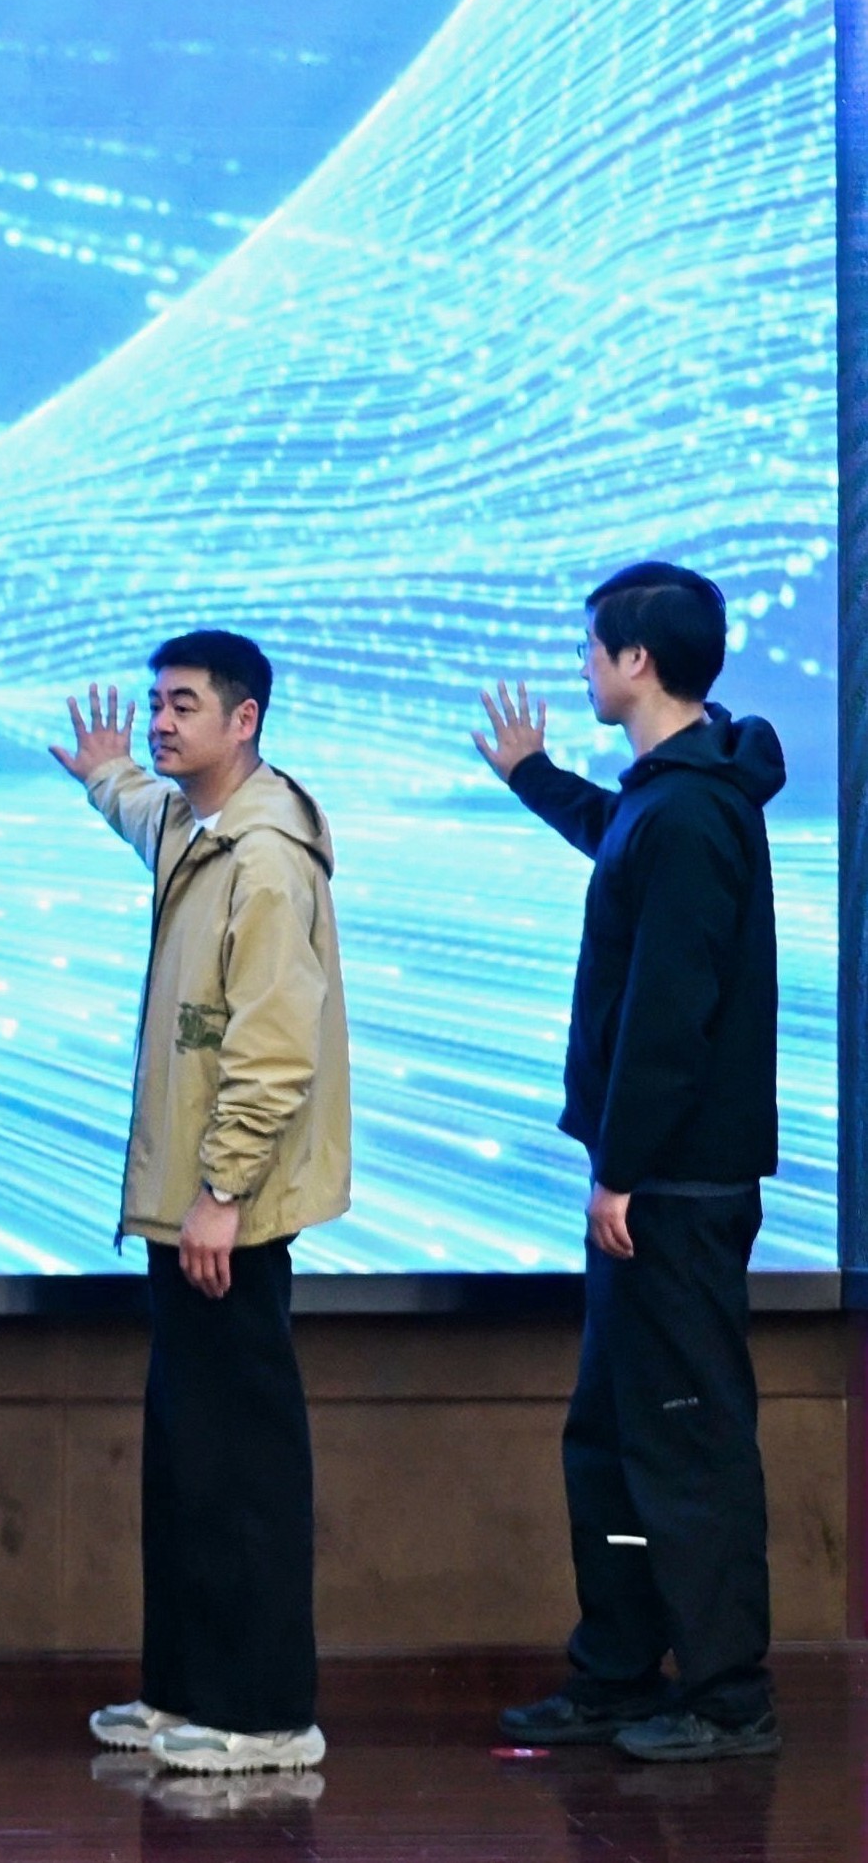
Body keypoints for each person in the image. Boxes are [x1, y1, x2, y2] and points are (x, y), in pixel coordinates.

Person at [478, 561, 784, 1764]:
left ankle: (725, 1695)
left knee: (685, 1439)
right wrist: (533, 777)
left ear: (634, 662)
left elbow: (667, 1015)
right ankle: (616, 1665)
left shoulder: (692, 812)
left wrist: (620, 1169)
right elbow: (616, 839)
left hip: (672, 1189)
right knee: (612, 1439)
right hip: (651, 1181)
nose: (582, 668)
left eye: (590, 650)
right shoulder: (670, 797)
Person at [49, 634, 349, 1777]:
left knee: (240, 1465)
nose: (159, 723)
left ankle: (264, 1714)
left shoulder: (264, 860)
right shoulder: (199, 829)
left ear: (244, 719)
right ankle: (184, 1690)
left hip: (230, 1211)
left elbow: (271, 1050)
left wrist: (222, 1188)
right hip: (188, 1206)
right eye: (153, 705)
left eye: (181, 706)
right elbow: (149, 820)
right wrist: (105, 776)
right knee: (187, 1455)